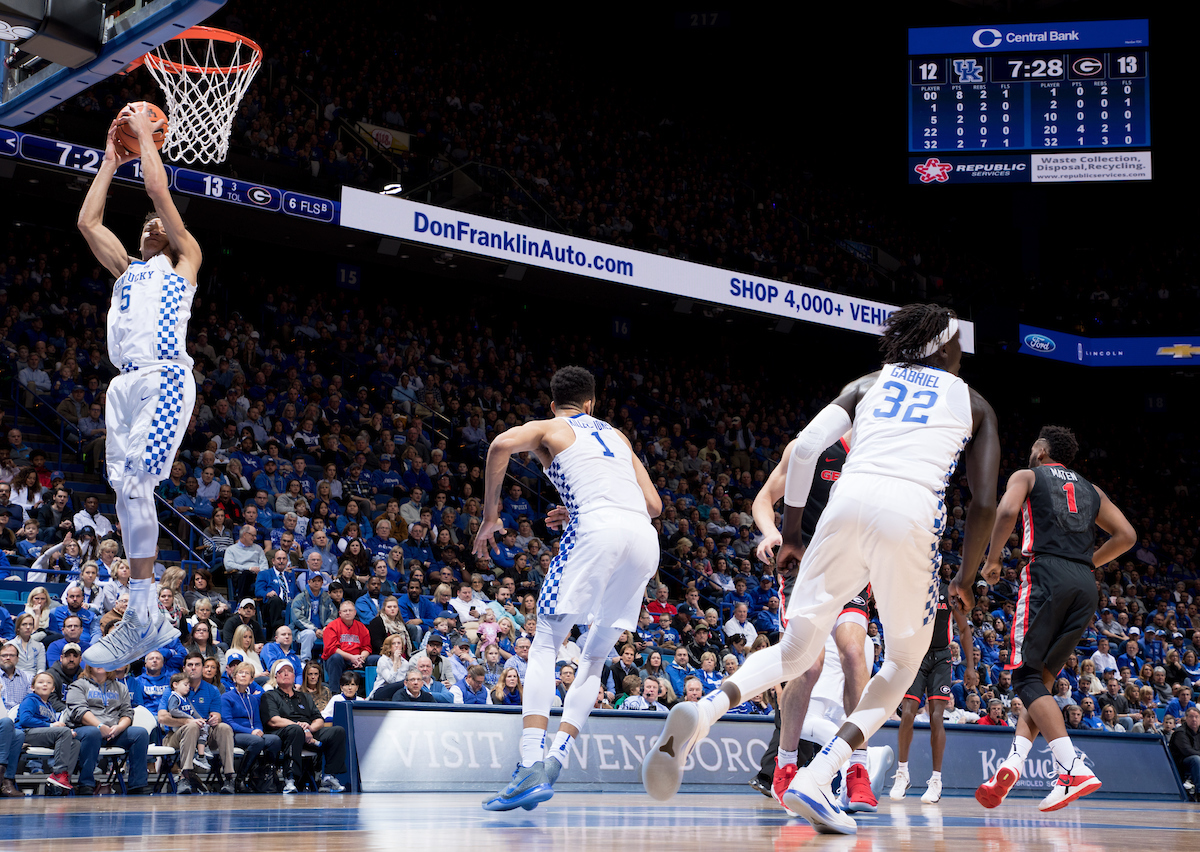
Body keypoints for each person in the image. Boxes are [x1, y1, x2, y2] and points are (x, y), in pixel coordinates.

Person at [642, 305, 1001, 836]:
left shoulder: (867, 383)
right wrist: (966, 579)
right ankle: (822, 774)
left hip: (844, 504)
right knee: (903, 662)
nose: (962, 357)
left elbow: (806, 448)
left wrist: (790, 535)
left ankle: (706, 710)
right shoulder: (972, 401)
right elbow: (985, 502)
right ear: (945, 348)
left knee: (795, 651)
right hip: (911, 513)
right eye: (959, 349)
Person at [474, 366, 662, 811]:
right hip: (642, 539)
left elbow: (500, 444)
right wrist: (574, 507)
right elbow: (653, 504)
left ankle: (527, 764)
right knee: (595, 654)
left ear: (553, 403)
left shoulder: (551, 427)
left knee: (544, 642)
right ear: (593, 403)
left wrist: (490, 515)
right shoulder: (618, 436)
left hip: (597, 531)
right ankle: (558, 756)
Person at [77, 104, 203, 669]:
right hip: (123, 385)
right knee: (126, 490)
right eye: (148, 225)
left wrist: (149, 139)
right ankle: (145, 613)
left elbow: (157, 192)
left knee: (135, 485)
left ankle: (144, 611)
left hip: (166, 376)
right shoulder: (126, 268)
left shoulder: (185, 260)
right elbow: (87, 224)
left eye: (159, 224)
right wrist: (108, 160)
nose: (153, 225)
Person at [975, 426, 1136, 813]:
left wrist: (994, 558)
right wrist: (1087, 564)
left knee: (1024, 678)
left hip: (1046, 575)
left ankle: (1071, 767)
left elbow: (1007, 510)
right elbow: (1127, 535)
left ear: (1042, 449)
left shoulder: (1027, 475)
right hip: (1085, 586)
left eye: (1034, 445)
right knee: (1041, 683)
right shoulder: (1091, 489)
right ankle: (1013, 763)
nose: (1031, 450)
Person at [748, 432, 889, 814]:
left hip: (851, 570)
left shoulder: (878, 455)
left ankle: (858, 768)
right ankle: (785, 763)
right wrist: (772, 532)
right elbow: (763, 499)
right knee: (807, 666)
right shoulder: (810, 449)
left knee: (854, 654)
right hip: (804, 566)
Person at [890, 561, 975, 804]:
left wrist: (969, 665)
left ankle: (936, 779)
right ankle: (902, 773)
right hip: (915, 657)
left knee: (937, 716)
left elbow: (964, 630)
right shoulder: (909, 593)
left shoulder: (949, 594)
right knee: (907, 712)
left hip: (941, 658)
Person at [260, 659, 347, 793]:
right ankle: (290, 779)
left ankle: (328, 776)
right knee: (295, 730)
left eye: (289, 671)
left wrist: (310, 728)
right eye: (282, 672)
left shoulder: (304, 697)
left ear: (295, 676)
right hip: (283, 733)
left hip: (308, 732)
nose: (286, 674)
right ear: (276, 676)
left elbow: (319, 719)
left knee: (337, 731)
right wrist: (301, 727)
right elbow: (273, 721)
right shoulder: (269, 696)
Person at [157, 653, 236, 794]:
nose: (193, 668)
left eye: (197, 665)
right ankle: (184, 776)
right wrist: (187, 721)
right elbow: (162, 718)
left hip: (204, 734)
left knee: (224, 727)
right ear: (184, 668)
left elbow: (217, 714)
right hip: (177, 735)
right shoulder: (172, 689)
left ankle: (229, 777)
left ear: (202, 668)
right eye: (190, 665)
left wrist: (215, 719)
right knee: (192, 726)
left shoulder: (212, 690)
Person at [67, 664, 151, 796]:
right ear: (89, 665)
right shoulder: (78, 685)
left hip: (114, 732)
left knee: (140, 733)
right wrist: (99, 726)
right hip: (86, 729)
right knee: (92, 733)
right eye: (97, 662)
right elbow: (79, 711)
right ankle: (86, 783)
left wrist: (119, 727)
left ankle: (137, 784)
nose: (100, 665)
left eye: (104, 662)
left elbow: (127, 713)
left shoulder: (120, 687)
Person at [221, 661, 283, 792]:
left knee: (274, 740)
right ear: (234, 677)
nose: (243, 676)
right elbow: (228, 722)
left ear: (252, 680)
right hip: (235, 733)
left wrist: (259, 730)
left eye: (247, 673)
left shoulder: (253, 699)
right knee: (257, 741)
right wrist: (251, 731)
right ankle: (240, 778)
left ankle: (262, 776)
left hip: (252, 733)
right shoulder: (226, 697)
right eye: (240, 673)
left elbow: (257, 721)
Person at [17, 670, 82, 791]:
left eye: (48, 683)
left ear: (53, 689)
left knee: (75, 743)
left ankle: (64, 779)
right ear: (32, 687)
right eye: (41, 682)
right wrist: (52, 726)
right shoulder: (30, 700)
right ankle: (58, 773)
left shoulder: (49, 707)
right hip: (26, 733)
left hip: (42, 735)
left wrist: (66, 732)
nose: (45, 684)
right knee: (64, 732)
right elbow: (25, 720)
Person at [166, 672, 210, 771]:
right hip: (178, 728)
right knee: (196, 727)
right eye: (185, 685)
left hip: (188, 725)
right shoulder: (174, 697)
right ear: (175, 685)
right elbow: (173, 710)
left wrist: (200, 719)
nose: (188, 687)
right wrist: (189, 718)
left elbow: (193, 711)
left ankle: (202, 751)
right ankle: (200, 753)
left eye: (189, 685)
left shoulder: (185, 699)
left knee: (204, 726)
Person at [1170, 706, 1200, 797]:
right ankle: (1199, 792)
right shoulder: (1180, 732)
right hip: (1181, 763)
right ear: (1186, 718)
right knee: (1196, 759)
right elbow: (1187, 751)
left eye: (1196, 717)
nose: (1194, 719)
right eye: (1191, 717)